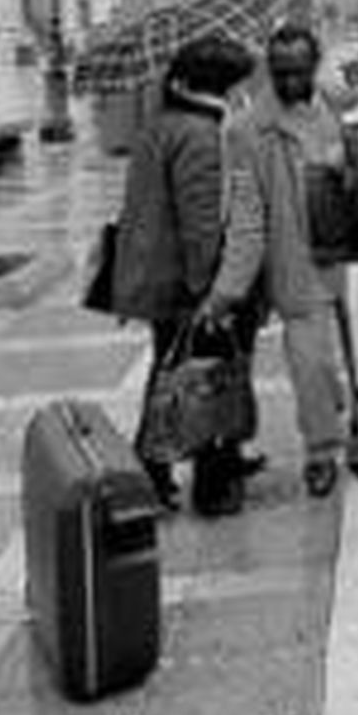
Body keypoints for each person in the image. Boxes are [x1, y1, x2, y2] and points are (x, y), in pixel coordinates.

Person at [202, 23, 358, 498]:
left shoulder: (344, 112)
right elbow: (246, 218)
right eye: (280, 72)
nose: (289, 83)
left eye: (298, 72)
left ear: (316, 65)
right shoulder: (246, 132)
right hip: (297, 261)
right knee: (312, 367)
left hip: (352, 254)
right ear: (269, 68)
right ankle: (321, 452)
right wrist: (227, 291)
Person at [110, 36, 257, 516]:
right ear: (219, 86)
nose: (243, 94)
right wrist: (213, 295)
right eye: (237, 85)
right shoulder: (200, 134)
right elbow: (201, 225)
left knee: (168, 373)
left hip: (156, 274)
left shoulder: (164, 123)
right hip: (185, 282)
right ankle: (212, 484)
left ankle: (155, 471)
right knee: (203, 377)